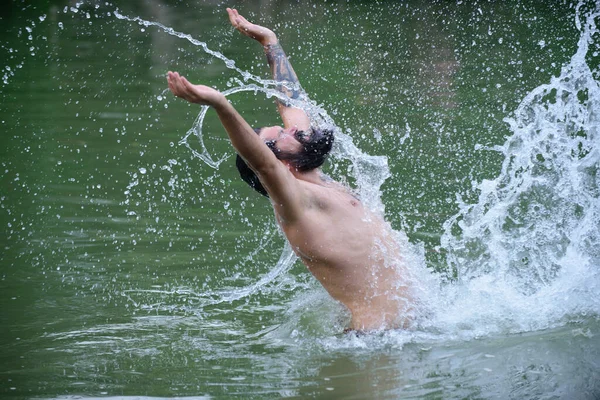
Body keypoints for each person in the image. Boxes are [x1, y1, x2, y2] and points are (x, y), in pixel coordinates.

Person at [167, 8, 414, 332]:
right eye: (282, 135)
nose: (292, 129)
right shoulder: (297, 203)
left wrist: (270, 41)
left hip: (409, 328)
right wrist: (220, 103)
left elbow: (293, 105)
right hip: (375, 341)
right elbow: (263, 163)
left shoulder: (319, 181)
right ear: (283, 166)